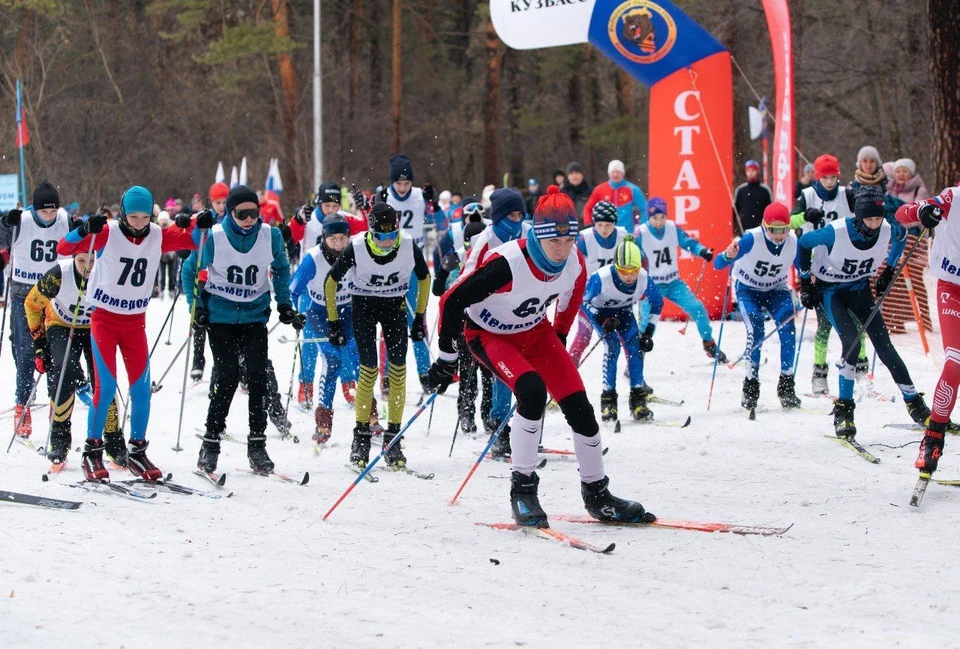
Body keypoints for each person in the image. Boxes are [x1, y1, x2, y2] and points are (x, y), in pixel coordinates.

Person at [427, 185, 655, 527]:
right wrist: (446, 357)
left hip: (536, 334)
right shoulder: (509, 263)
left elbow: (572, 298)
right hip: (488, 334)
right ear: (538, 236)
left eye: (569, 240)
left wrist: (560, 336)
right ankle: (523, 491)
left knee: (580, 406)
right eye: (554, 242)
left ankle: (597, 494)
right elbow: (452, 300)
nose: (562, 250)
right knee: (531, 392)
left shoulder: (574, 261)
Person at [57, 185, 211, 482]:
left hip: (135, 323)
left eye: (144, 216)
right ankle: (92, 450)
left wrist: (196, 221)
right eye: (133, 217)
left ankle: (138, 450)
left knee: (141, 390)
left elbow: (195, 240)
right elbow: (64, 249)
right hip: (103, 320)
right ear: (124, 213)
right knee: (105, 388)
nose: (139, 223)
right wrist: (84, 228)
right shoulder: (108, 233)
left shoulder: (156, 234)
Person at [183, 184, 301, 475]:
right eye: (241, 214)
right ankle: (210, 445)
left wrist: (284, 302)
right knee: (227, 377)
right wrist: (195, 307)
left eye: (253, 212)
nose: (248, 219)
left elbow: (283, 268)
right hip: (221, 317)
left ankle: (257, 445)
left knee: (259, 377)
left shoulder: (270, 235)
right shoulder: (214, 236)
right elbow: (188, 271)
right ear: (230, 213)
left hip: (253, 316)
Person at [797, 186, 931, 439]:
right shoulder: (834, 232)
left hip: (860, 289)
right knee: (851, 342)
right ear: (858, 217)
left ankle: (914, 403)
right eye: (869, 219)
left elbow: (902, 238)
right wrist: (806, 282)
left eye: (878, 219)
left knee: (885, 346)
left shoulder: (887, 229)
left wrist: (889, 270)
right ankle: (844, 411)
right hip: (831, 291)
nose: (874, 224)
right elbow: (803, 244)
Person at [324, 202, 431, 469]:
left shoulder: (407, 245)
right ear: (372, 232)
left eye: (392, 235)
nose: (387, 242)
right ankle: (360, 437)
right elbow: (331, 280)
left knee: (397, 371)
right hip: (364, 307)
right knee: (369, 370)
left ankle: (393, 438)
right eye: (381, 237)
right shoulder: (357, 247)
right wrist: (334, 321)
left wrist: (419, 317)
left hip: (394, 308)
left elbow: (425, 277)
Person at [24, 246, 126, 465]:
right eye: (82, 261)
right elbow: (31, 304)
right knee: (64, 372)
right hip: (61, 324)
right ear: (73, 259)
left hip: (96, 326)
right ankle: (60, 439)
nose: (88, 267)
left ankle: (113, 440)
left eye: (92, 261)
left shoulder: (108, 271)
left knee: (103, 378)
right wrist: (40, 344)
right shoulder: (59, 274)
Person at [461, 188, 530, 455]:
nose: (516, 219)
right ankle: (500, 425)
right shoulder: (484, 240)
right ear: (498, 216)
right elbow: (468, 277)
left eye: (519, 214)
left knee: (535, 375)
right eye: (510, 214)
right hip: (493, 316)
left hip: (525, 311)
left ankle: (529, 430)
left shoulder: (529, 232)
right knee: (506, 373)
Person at [896, 188, 960, 475]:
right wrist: (922, 213)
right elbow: (901, 214)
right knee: (954, 364)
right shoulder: (952, 198)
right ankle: (933, 438)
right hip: (952, 289)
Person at [714, 203, 801, 412]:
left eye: (784, 230)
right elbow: (718, 264)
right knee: (756, 329)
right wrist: (728, 255)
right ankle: (751, 385)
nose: (779, 236)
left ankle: (786, 385)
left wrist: (810, 283)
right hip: (748, 290)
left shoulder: (793, 242)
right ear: (764, 226)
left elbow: (803, 268)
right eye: (774, 230)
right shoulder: (752, 238)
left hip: (777, 290)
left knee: (788, 330)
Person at [790, 153, 864, 394]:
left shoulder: (847, 194)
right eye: (825, 177)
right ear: (818, 177)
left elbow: (863, 217)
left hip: (845, 264)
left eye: (833, 177)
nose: (830, 182)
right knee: (824, 326)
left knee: (856, 321)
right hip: (818, 267)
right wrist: (805, 216)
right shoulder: (807, 195)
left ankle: (861, 368)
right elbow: (789, 222)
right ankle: (819, 373)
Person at [2, 181, 71, 437]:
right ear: (35, 209)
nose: (50, 217)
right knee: (25, 350)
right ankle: (23, 404)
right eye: (45, 212)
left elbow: (81, 241)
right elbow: (1, 239)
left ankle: (56, 404)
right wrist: (5, 223)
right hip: (23, 294)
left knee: (53, 350)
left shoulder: (64, 220)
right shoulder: (22, 221)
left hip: (53, 294)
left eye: (53, 212)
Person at [289, 213, 362, 444]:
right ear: (324, 237)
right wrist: (295, 313)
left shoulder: (354, 253)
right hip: (319, 312)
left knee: (360, 355)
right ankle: (323, 418)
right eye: (333, 239)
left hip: (347, 311)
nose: (339, 244)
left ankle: (368, 413)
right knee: (332, 359)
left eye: (343, 238)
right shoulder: (313, 258)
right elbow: (294, 289)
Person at [637, 197, 727, 362]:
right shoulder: (641, 233)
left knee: (697, 308)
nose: (659, 222)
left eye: (662, 217)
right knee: (646, 324)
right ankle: (636, 358)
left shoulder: (672, 228)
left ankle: (709, 343)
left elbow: (689, 243)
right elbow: (629, 250)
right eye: (655, 218)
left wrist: (702, 251)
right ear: (648, 217)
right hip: (650, 286)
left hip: (673, 283)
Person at [583, 240, 662, 423]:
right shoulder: (601, 278)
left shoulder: (643, 278)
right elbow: (583, 301)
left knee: (636, 349)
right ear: (615, 266)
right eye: (623, 271)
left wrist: (648, 332)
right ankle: (608, 401)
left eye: (633, 270)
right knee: (612, 347)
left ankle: (638, 401)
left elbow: (657, 304)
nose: (628, 276)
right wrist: (601, 319)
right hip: (602, 315)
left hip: (624, 313)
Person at [382, 154, 433, 393]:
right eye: (398, 183)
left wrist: (432, 204)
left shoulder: (419, 196)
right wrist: (369, 205)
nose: (402, 187)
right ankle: (387, 375)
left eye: (406, 183)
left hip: (415, 264)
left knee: (417, 319)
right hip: (390, 264)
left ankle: (425, 373)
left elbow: (438, 221)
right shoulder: (385, 196)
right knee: (390, 320)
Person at [568, 200, 629, 365]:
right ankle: (565, 372)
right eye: (600, 224)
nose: (604, 229)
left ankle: (634, 376)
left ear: (614, 224)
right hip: (590, 297)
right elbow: (570, 263)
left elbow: (640, 259)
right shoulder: (584, 238)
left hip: (616, 297)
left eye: (608, 225)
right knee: (583, 336)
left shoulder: (624, 237)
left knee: (627, 338)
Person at [188, 181, 229, 381]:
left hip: (224, 279)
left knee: (221, 325)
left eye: (224, 202)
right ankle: (198, 359)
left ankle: (221, 364)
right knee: (200, 320)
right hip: (205, 277)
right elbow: (193, 240)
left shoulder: (233, 219)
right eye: (218, 202)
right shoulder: (205, 218)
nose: (221, 206)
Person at [582, 159, 648, 231]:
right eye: (613, 172)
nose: (615, 175)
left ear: (623, 173)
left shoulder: (633, 190)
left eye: (618, 172)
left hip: (627, 233)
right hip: (605, 233)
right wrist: (589, 225)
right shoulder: (599, 190)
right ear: (609, 173)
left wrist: (642, 227)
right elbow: (588, 208)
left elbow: (645, 208)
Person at [733, 160, 773, 234]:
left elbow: (771, 211)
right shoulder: (740, 190)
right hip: (744, 231)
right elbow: (734, 212)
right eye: (748, 170)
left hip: (762, 231)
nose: (750, 173)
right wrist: (734, 232)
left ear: (757, 171)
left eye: (753, 170)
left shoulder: (765, 190)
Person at [561, 162, 592, 228]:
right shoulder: (561, 193)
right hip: (566, 230)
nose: (574, 176)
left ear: (582, 175)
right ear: (568, 176)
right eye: (571, 174)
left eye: (577, 173)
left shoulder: (590, 191)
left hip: (585, 229)